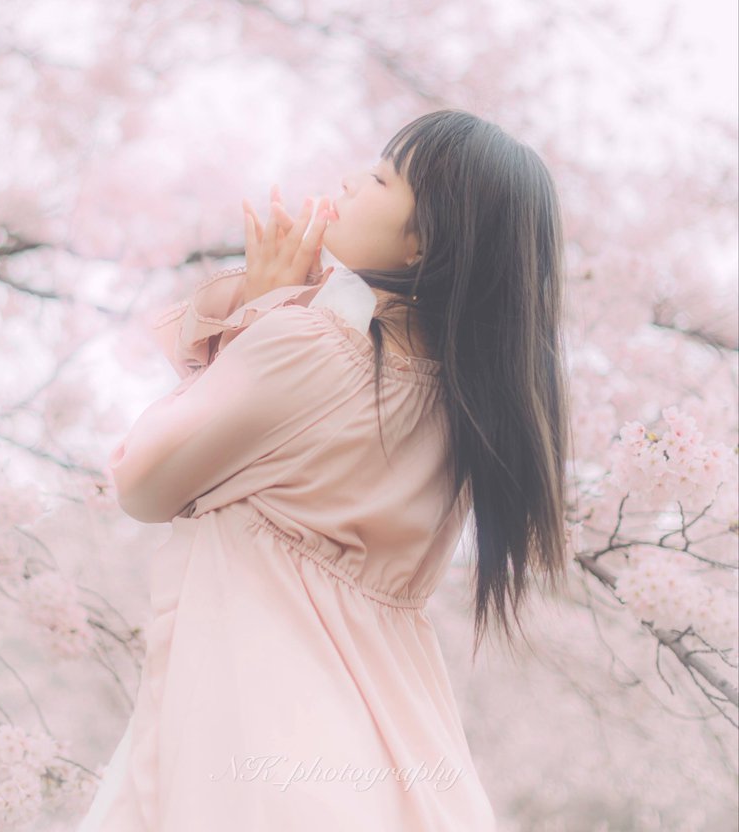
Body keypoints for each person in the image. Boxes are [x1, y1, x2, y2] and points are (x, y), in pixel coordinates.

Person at [78, 107, 571, 831]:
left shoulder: (309, 347)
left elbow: (144, 481)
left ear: (424, 240)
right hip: (396, 749)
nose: (348, 179)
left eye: (378, 178)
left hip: (258, 722)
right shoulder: (465, 413)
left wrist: (258, 310)